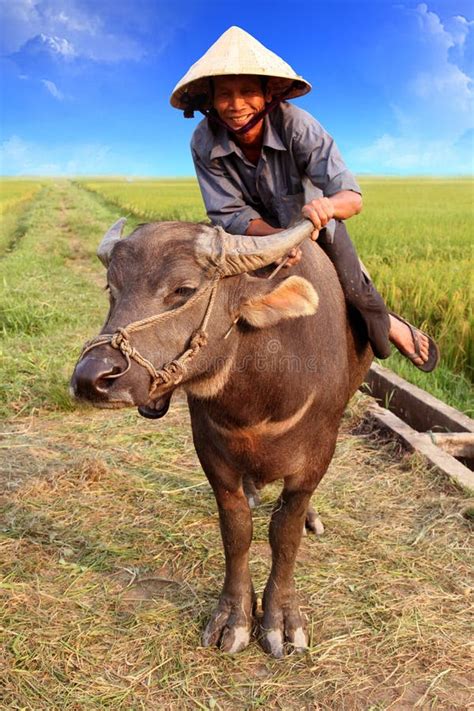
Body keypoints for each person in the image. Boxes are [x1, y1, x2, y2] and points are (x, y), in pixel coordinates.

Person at [170, 26, 439, 370]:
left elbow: (351, 197)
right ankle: (170, 371)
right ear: (210, 101)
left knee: (355, 293)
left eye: (248, 91)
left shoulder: (298, 126)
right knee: (201, 295)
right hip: (247, 235)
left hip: (313, 226)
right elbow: (229, 210)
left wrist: (326, 208)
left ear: (268, 94)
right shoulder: (203, 141)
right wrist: (275, 240)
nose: (236, 105)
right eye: (224, 94)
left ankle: (392, 326)